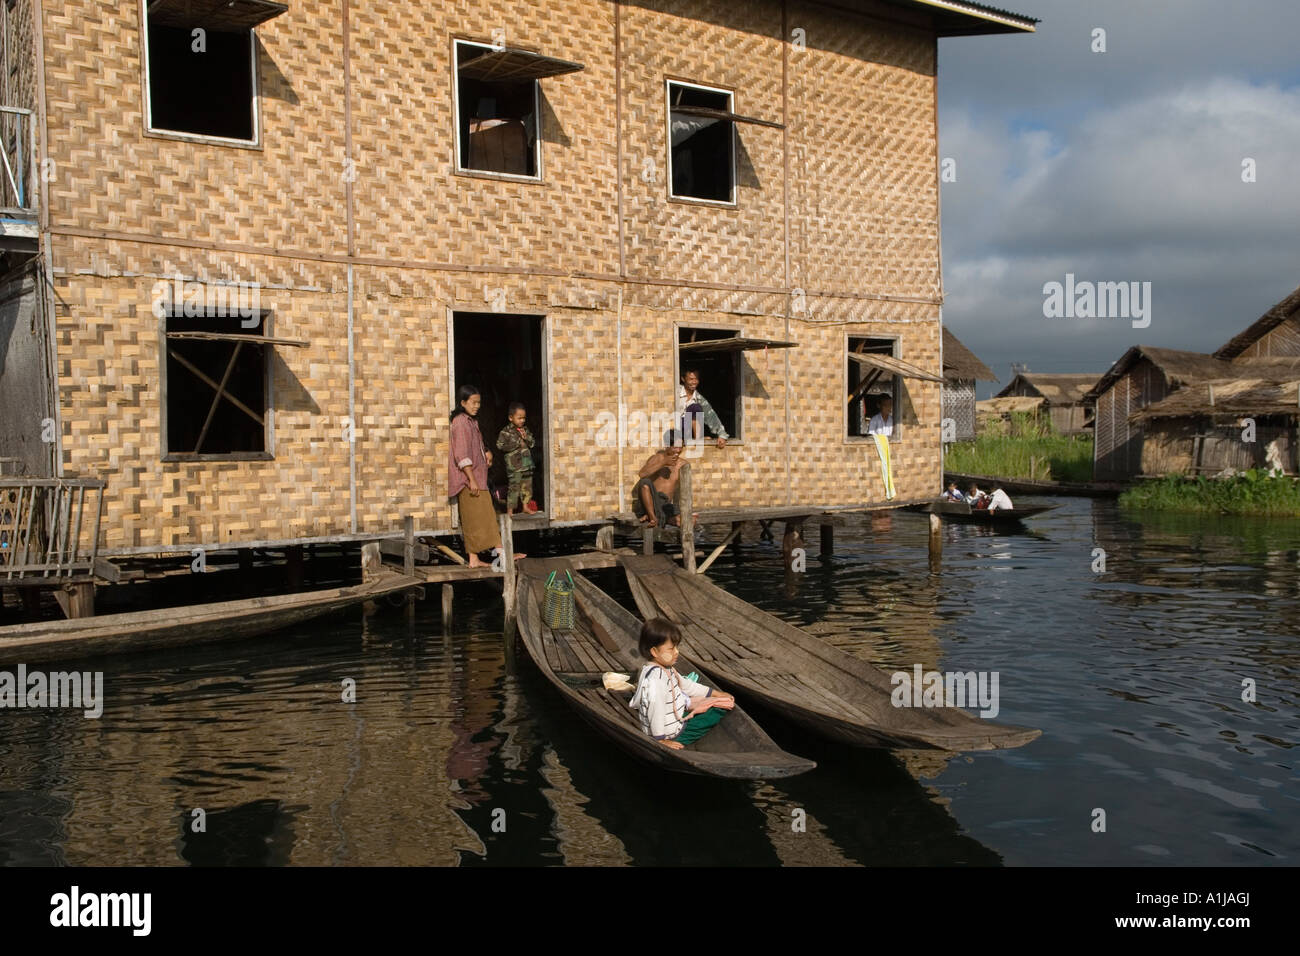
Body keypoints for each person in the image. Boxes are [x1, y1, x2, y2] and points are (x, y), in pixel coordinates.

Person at [629, 617, 735, 750]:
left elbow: (688, 686)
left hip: (671, 720)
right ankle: (671, 738)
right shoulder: (656, 681)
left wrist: (716, 693)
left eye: (676, 647)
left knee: (710, 700)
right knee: (718, 709)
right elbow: (655, 711)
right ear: (654, 652)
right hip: (669, 733)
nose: (677, 652)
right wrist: (660, 740)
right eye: (671, 649)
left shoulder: (665, 669)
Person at [448, 385, 523, 567]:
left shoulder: (471, 422)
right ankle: (503, 555)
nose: (476, 406)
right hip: (469, 481)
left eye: (478, 403)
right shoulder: (460, 422)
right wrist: (471, 479)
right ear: (463, 402)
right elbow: (461, 454)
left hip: (477, 479)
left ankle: (474, 559)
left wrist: (486, 453)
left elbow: (477, 447)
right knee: (486, 518)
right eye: (473, 403)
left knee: (473, 520)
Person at [632, 433, 685, 528]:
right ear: (667, 445)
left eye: (681, 447)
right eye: (675, 447)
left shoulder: (683, 465)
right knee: (644, 482)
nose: (678, 450)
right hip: (652, 503)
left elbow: (683, 491)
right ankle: (652, 517)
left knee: (683, 521)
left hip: (666, 506)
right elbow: (642, 474)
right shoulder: (657, 458)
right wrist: (663, 463)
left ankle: (654, 516)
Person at [495, 402, 537, 515]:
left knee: (527, 487)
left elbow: (532, 443)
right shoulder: (506, 432)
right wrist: (517, 444)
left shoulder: (525, 430)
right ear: (511, 418)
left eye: (524, 418)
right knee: (514, 488)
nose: (522, 420)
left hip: (526, 464)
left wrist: (526, 437)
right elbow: (500, 446)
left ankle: (525, 507)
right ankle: (510, 511)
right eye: (519, 418)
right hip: (514, 466)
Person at [677, 369, 728, 448]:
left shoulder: (699, 398)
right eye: (691, 379)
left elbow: (711, 416)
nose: (694, 382)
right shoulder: (675, 391)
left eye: (696, 379)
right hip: (673, 428)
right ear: (683, 379)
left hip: (687, 431)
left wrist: (722, 434)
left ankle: (698, 438)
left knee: (695, 407)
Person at [867, 395, 896, 500]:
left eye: (890, 405)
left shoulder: (893, 420)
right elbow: (871, 436)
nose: (888, 408)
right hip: (878, 451)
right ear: (879, 406)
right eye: (885, 405)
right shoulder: (875, 420)